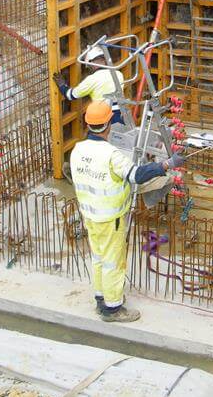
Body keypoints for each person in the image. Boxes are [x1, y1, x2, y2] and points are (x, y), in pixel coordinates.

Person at [71, 100, 186, 323]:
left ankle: (101, 298)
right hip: (109, 218)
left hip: (90, 214)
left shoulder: (78, 150)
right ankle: (113, 309)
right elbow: (136, 175)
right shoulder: (111, 155)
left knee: (99, 259)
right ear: (108, 125)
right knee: (113, 262)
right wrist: (166, 165)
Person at [55, 45, 126, 125]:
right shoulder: (118, 74)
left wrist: (62, 85)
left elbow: (70, 95)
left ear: (91, 64)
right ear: (104, 60)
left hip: (105, 117)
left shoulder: (92, 80)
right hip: (121, 115)